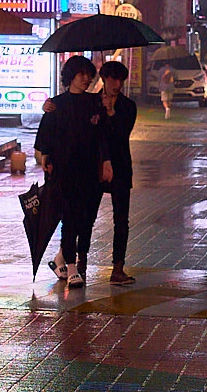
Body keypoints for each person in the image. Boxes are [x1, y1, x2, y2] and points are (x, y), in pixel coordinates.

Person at [33, 55, 110, 287]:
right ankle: (73, 267)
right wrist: (45, 157)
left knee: (84, 219)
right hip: (64, 170)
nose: (86, 79)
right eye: (81, 75)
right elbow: (44, 138)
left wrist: (106, 162)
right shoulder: (56, 104)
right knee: (69, 217)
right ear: (71, 77)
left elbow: (103, 136)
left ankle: (60, 259)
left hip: (89, 169)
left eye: (89, 74)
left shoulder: (95, 103)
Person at [96, 60, 138, 284]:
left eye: (120, 79)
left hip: (121, 167)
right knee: (86, 216)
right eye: (113, 79)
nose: (117, 84)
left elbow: (121, 135)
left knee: (121, 219)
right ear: (104, 79)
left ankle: (118, 268)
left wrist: (111, 112)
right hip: (96, 166)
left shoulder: (128, 106)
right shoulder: (92, 103)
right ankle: (78, 264)